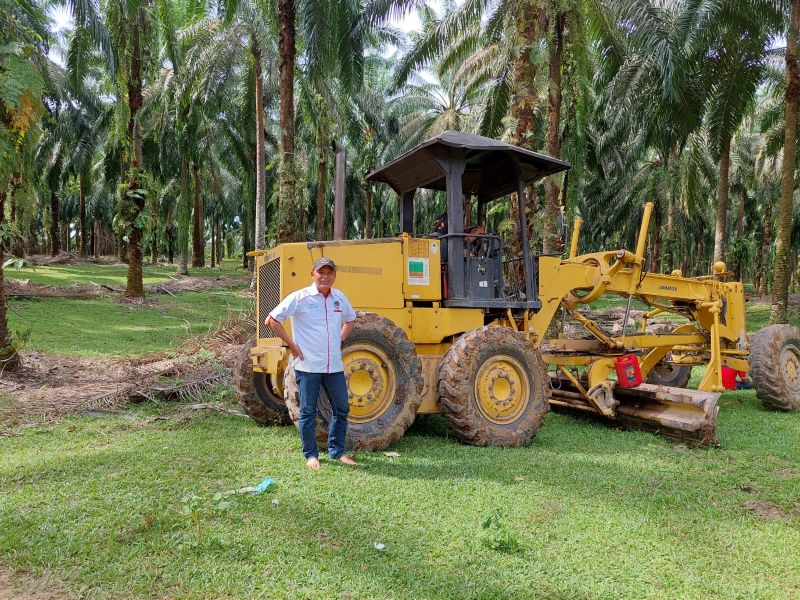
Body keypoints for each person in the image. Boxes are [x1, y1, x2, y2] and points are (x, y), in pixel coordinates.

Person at [266, 257, 358, 469]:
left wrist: (340, 339)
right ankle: (311, 455)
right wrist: (291, 345)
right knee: (308, 412)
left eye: (329, 273)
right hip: (308, 368)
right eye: (321, 272)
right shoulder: (301, 297)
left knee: (342, 408)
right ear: (312, 274)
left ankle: (337, 452)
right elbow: (272, 320)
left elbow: (350, 319)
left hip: (333, 367)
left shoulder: (339, 298)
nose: (325, 276)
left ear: (334, 275)